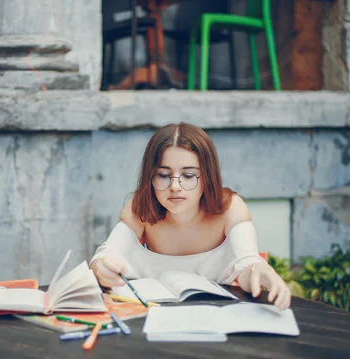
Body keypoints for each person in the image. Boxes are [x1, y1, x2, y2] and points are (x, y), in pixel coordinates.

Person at [90, 122, 291, 310]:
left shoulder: (231, 208)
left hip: (218, 317)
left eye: (188, 176)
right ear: (149, 177)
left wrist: (261, 271)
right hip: (152, 316)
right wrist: (102, 268)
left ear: (207, 177)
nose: (175, 187)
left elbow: (247, 264)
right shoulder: (139, 209)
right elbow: (106, 255)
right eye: (163, 175)